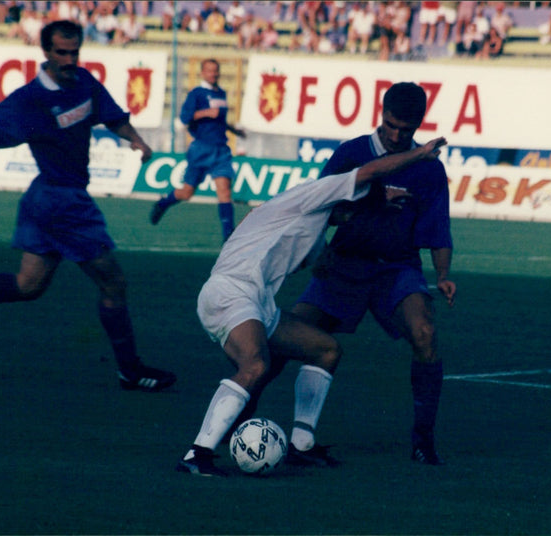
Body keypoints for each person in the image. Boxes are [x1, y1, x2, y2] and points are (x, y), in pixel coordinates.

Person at [176, 131, 447, 477]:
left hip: (259, 302)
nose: (346, 221)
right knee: (256, 364)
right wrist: (419, 155)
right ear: (345, 203)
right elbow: (368, 174)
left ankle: (300, 446)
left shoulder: (315, 228)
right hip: (230, 292)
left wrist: (379, 205)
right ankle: (196, 454)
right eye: (349, 214)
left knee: (326, 350)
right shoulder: (317, 193)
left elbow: (314, 257)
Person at [0, 20, 176, 393]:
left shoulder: (84, 83)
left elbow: (113, 116)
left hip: (46, 199)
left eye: (75, 51)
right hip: (63, 202)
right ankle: (130, 370)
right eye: (61, 52)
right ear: (45, 52)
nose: (69, 59)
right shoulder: (31, 99)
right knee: (114, 282)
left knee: (28, 285)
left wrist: (137, 141)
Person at [290, 82, 456, 466]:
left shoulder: (428, 168)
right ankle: (239, 425)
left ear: (418, 124)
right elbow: (318, 207)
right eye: (391, 125)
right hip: (343, 264)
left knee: (425, 334)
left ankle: (423, 442)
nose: (397, 135)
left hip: (396, 269)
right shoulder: (350, 153)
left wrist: (443, 272)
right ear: (380, 114)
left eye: (406, 129)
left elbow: (438, 225)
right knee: (287, 335)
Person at [149, 59, 245, 242]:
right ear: (203, 73)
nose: (213, 74)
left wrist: (234, 130)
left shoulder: (221, 93)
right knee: (187, 192)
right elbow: (184, 118)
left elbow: (220, 120)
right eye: (210, 71)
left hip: (220, 149)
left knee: (224, 191)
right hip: (200, 148)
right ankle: (163, 203)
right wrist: (206, 113)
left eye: (216, 71)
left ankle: (229, 236)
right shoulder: (197, 94)